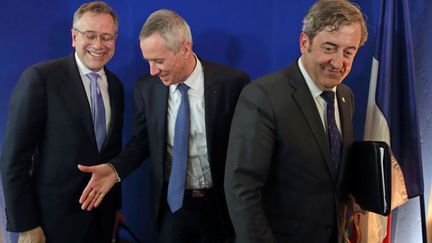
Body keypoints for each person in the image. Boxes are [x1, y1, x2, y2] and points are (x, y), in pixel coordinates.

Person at [77, 9, 250, 243]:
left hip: (220, 207)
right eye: (148, 61)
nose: (152, 71)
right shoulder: (146, 88)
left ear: (185, 49)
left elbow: (247, 149)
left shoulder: (233, 83)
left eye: (159, 61)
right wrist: (115, 169)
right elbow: (141, 143)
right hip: (173, 207)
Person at [224, 1, 368, 242]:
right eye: (329, 48)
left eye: (348, 52)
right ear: (305, 43)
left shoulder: (345, 96)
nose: (338, 62)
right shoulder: (262, 96)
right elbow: (242, 189)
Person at [0, 2, 124, 242]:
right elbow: (14, 159)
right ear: (74, 37)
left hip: (103, 221)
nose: (99, 45)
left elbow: (112, 154)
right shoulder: (40, 79)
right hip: (51, 224)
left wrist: (116, 207)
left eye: (107, 37)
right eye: (90, 35)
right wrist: (26, 225)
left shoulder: (116, 86)